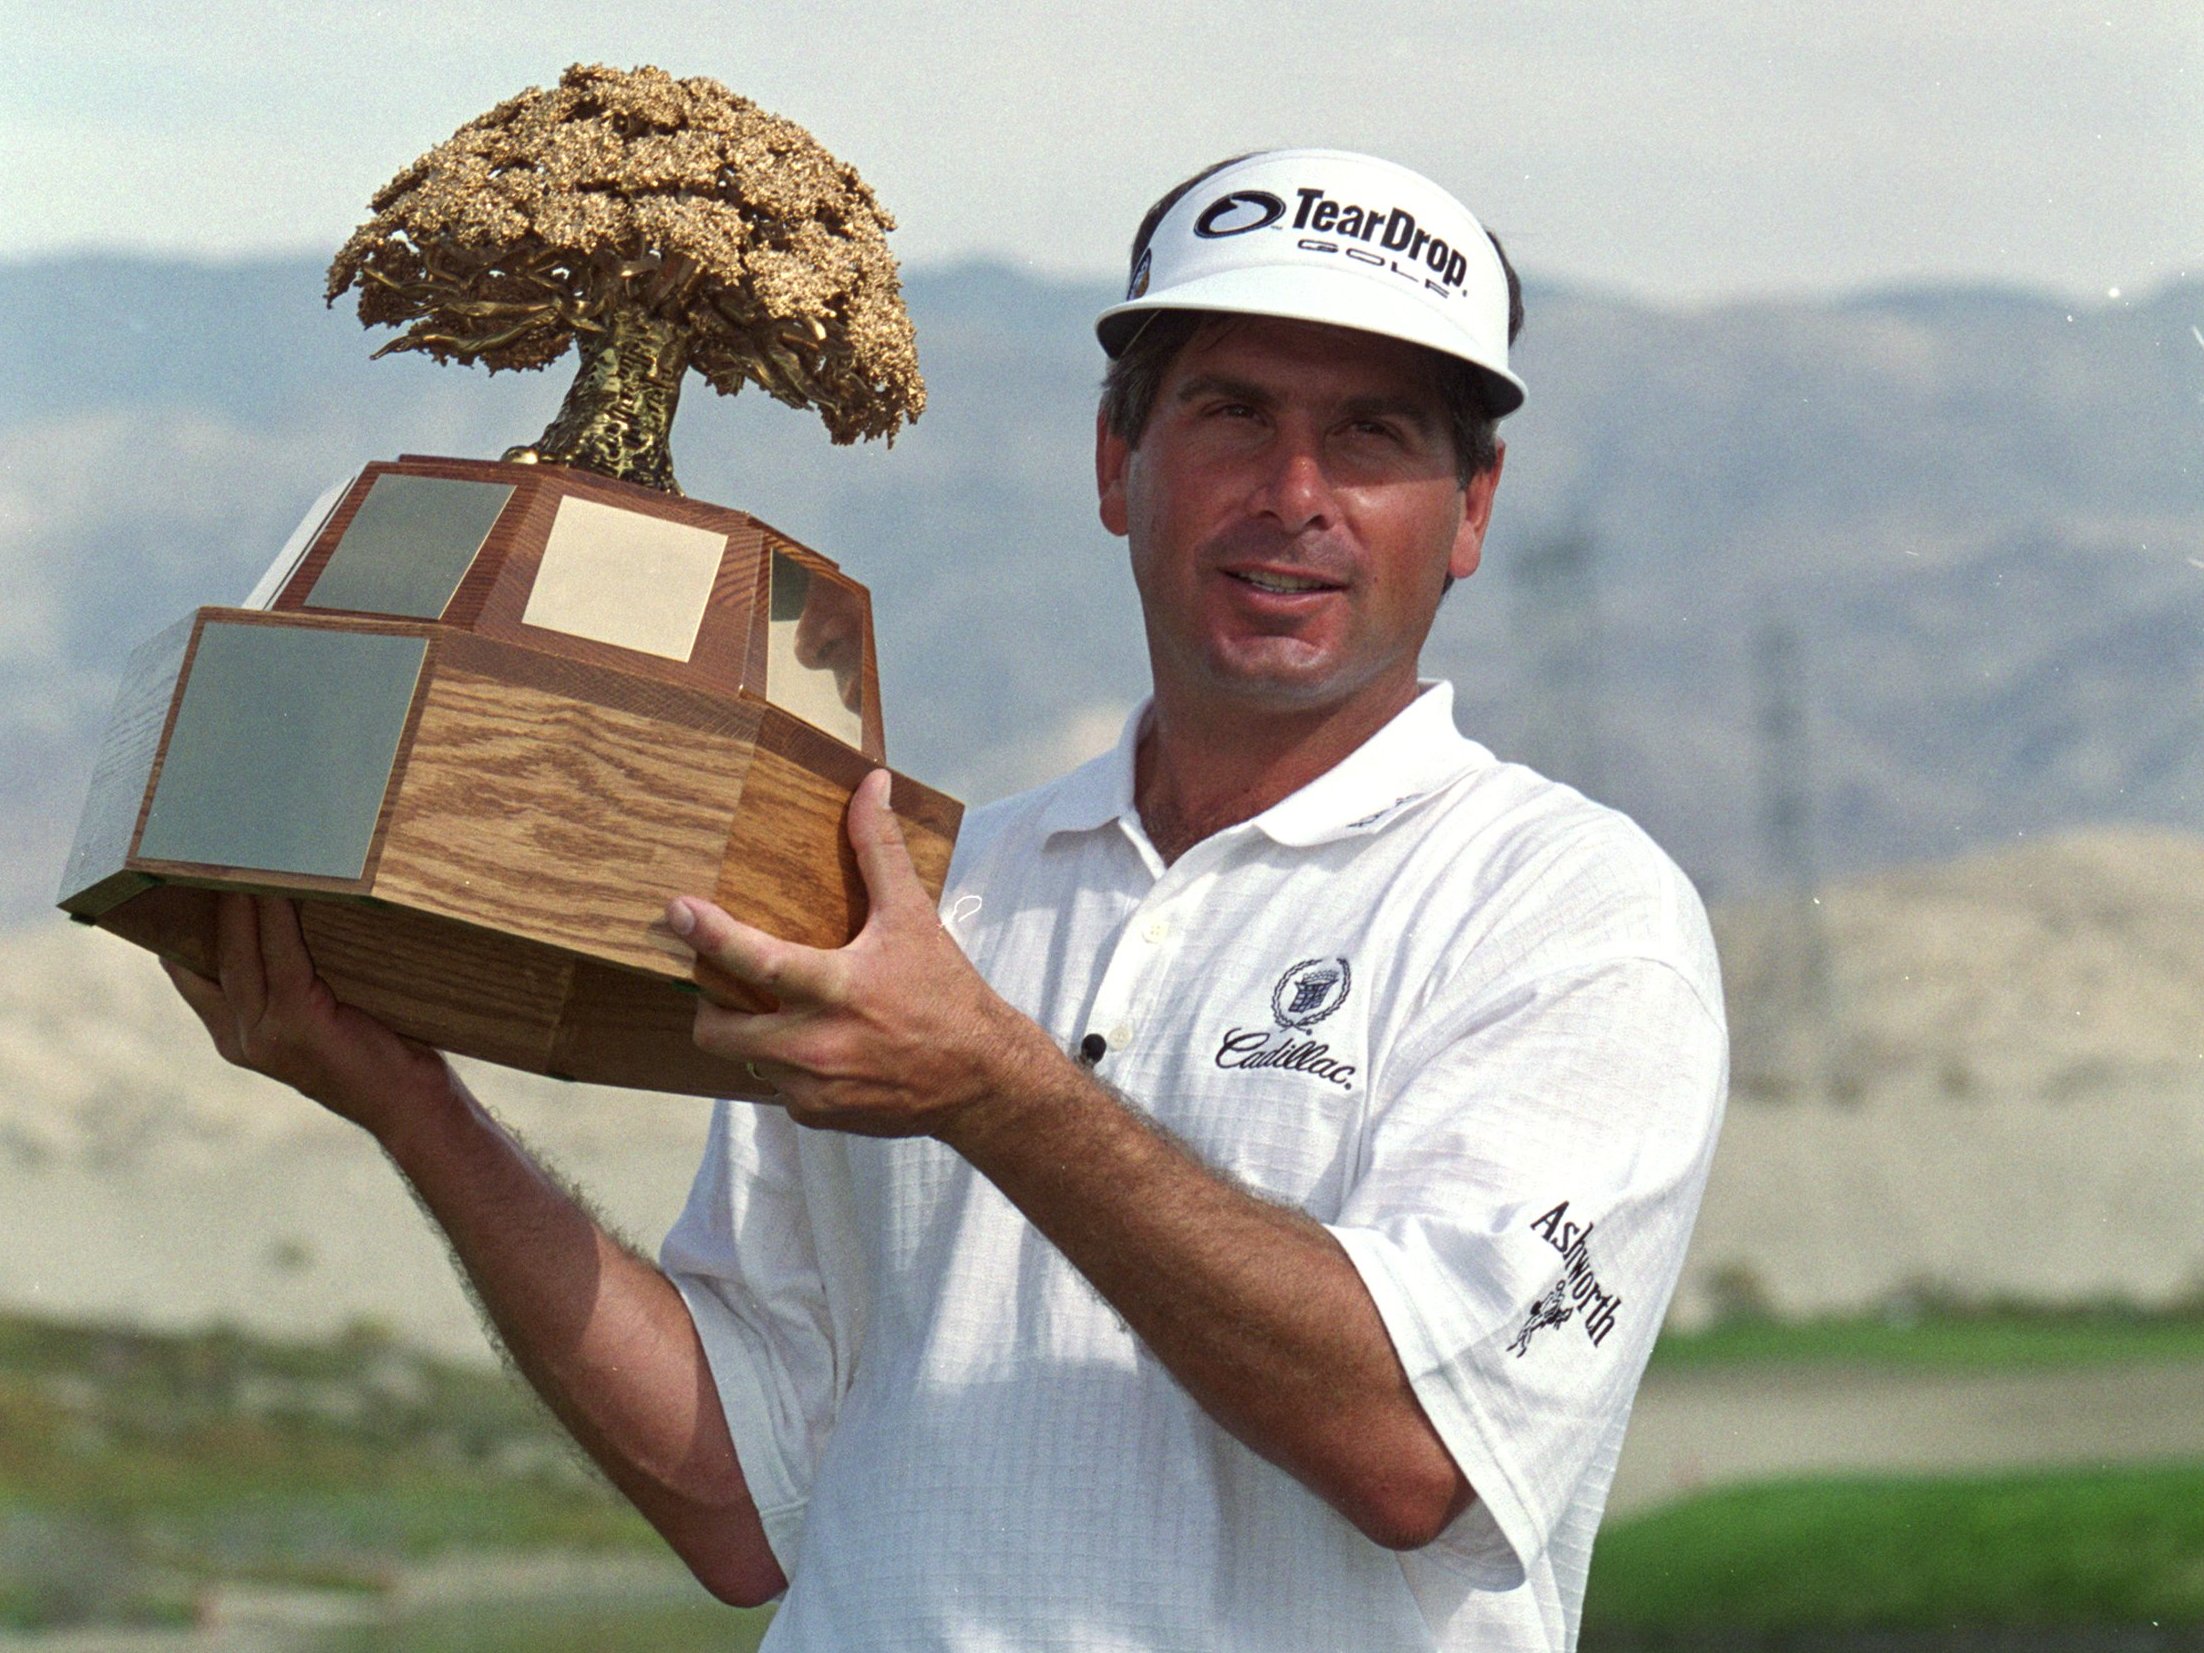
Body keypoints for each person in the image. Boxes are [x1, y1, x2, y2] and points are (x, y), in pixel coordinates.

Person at [167, 148, 1726, 1652]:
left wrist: (993, 1085)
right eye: (1231, 415)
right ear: (1119, 463)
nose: (1294, 492)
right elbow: (741, 1502)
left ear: (1471, 511)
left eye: (1374, 435)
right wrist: (407, 1100)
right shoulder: (919, 893)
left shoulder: (1570, 912)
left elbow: (1414, 1449)